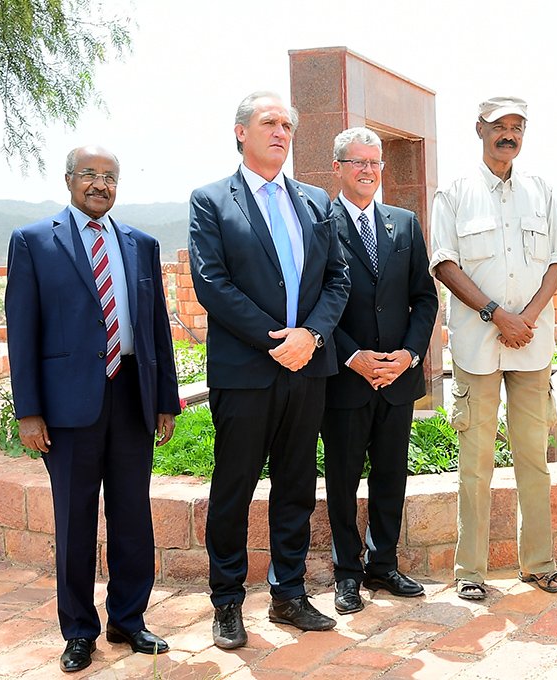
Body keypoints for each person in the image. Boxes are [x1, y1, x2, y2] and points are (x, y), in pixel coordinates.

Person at [5, 146, 180, 673]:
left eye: (110, 177)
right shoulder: (34, 241)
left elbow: (157, 329)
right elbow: (22, 330)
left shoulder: (140, 244)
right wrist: (28, 411)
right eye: (89, 174)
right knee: (75, 521)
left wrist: (165, 401)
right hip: (66, 407)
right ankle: (78, 631)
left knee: (133, 517)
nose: (100, 184)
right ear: (68, 180)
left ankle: (128, 619)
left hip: (131, 395)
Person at [188, 91, 350, 648]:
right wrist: (275, 341)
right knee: (233, 489)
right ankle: (227, 601)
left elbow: (337, 279)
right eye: (269, 122)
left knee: (296, 487)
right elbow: (211, 284)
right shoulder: (212, 200)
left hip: (308, 368)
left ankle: (289, 594)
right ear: (241, 132)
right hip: (246, 372)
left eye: (287, 124)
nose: (281, 131)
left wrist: (312, 335)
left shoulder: (314, 200)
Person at [430, 96, 557, 600]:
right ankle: (470, 571)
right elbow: (444, 263)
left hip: (531, 343)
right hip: (477, 346)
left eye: (517, 127)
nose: (509, 135)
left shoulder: (540, 191)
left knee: (534, 457)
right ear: (479, 129)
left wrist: (525, 318)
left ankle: (539, 563)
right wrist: (497, 315)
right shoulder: (454, 193)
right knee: (476, 462)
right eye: (499, 126)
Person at [322, 127, 438, 614]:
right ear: (338, 169)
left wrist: (408, 355)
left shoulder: (404, 224)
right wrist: (354, 356)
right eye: (358, 162)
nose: (369, 170)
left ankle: (383, 564)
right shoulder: (319, 224)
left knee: (391, 476)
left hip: (396, 378)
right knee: (343, 481)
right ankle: (347, 573)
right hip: (345, 379)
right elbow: (314, 303)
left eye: (375, 162)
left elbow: (424, 298)